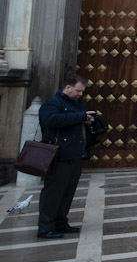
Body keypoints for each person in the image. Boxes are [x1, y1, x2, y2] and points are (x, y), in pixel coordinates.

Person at [37, 74, 95, 239]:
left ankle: (61, 222)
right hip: (59, 155)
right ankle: (45, 227)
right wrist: (81, 117)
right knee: (53, 192)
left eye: (82, 92)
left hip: (75, 153)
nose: (80, 94)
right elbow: (51, 120)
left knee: (68, 192)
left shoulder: (78, 104)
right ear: (67, 87)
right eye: (78, 91)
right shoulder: (52, 104)